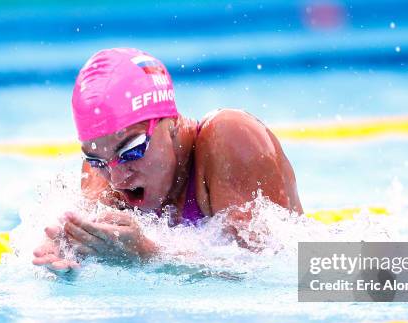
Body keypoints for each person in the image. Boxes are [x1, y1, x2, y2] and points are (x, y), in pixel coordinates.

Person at [32, 48, 302, 272]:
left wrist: (149, 254)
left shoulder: (230, 138)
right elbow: (78, 244)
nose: (117, 179)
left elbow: (274, 272)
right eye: (96, 160)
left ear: (170, 122)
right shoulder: (103, 168)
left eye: (132, 151)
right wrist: (66, 250)